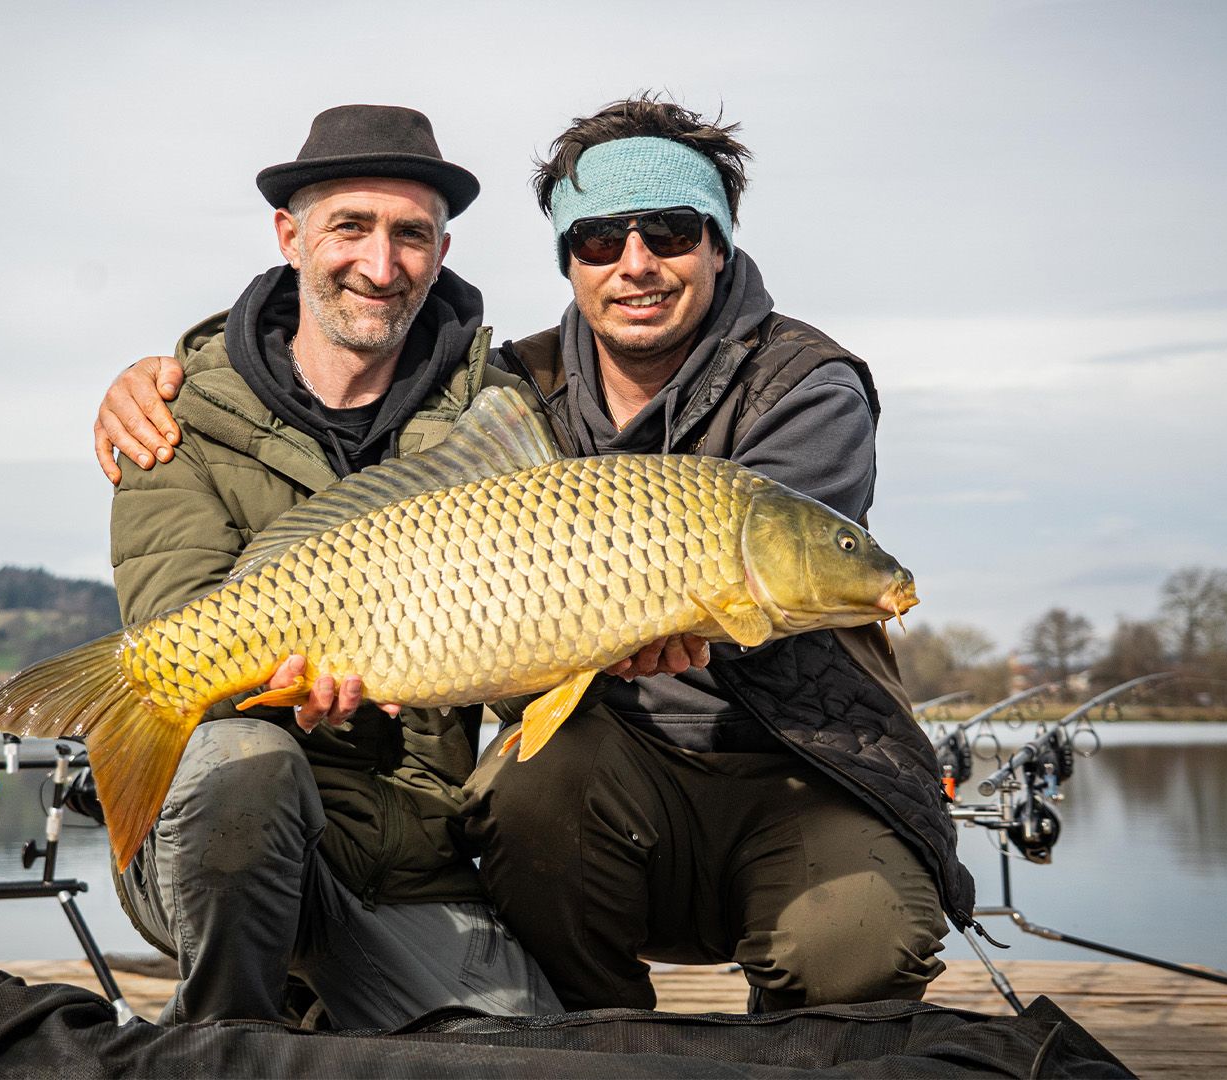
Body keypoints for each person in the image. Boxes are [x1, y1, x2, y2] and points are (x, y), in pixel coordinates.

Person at [96, 97, 976, 1014]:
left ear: (719, 244)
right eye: (598, 239)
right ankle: (239, 1032)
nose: (636, 263)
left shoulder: (782, 388)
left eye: (672, 232)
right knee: (283, 762)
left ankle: (627, 1044)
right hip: (282, 810)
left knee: (821, 951)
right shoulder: (499, 387)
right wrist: (146, 378)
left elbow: (543, 621)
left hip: (773, 772)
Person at [102, 103, 561, 1028]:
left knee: (534, 1057)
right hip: (215, 837)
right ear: (290, 236)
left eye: (411, 236)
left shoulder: (500, 415)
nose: (381, 266)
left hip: (406, 863)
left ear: (441, 251)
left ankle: (330, 997)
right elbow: (179, 653)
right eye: (350, 226)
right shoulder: (175, 418)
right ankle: (229, 1035)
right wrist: (280, 693)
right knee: (244, 762)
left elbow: (532, 661)